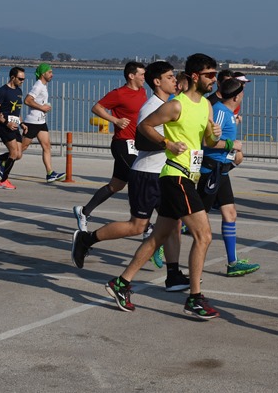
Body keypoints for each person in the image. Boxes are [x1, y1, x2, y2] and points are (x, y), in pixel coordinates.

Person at [104, 53, 222, 319]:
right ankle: (194, 298)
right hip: (175, 176)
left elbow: (207, 143)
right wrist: (167, 144)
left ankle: (121, 283)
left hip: (188, 176)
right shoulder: (176, 106)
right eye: (209, 75)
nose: (214, 80)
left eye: (215, 74)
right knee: (204, 236)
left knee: (159, 236)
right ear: (195, 76)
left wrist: (213, 137)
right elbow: (144, 126)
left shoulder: (206, 106)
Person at [72, 61, 190, 291]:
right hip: (147, 174)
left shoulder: (168, 104)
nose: (174, 80)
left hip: (164, 173)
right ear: (157, 82)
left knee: (174, 224)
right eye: (169, 77)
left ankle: (174, 274)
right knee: (137, 226)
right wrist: (169, 145)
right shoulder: (151, 107)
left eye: (174, 76)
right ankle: (87, 239)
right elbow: (142, 141)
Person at [73, 61, 146, 231]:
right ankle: (143, 223)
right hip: (122, 143)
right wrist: (115, 120)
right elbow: (96, 108)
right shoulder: (119, 93)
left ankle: (84, 211)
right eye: (142, 74)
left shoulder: (142, 92)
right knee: (138, 180)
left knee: (116, 185)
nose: (144, 77)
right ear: (131, 75)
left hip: (136, 144)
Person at [197, 77, 259, 277]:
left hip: (221, 171)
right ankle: (160, 242)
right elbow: (207, 142)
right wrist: (234, 146)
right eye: (242, 92)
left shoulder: (229, 113)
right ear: (237, 95)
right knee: (194, 217)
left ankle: (232, 263)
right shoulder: (221, 112)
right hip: (211, 171)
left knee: (230, 214)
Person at [22, 63, 65, 183]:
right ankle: (3, 162)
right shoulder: (38, 85)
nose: (52, 75)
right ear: (43, 74)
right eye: (50, 72)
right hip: (32, 122)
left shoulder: (44, 86)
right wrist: (42, 108)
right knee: (21, 148)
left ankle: (50, 173)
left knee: (47, 146)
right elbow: (27, 100)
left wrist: (44, 107)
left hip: (41, 121)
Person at [0, 66, 26, 189]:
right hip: (4, 126)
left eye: (24, 79)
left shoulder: (19, 91)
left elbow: (17, 112)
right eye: (20, 79)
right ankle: (3, 181)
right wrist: (6, 123)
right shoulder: (3, 91)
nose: (22, 81)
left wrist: (22, 124)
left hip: (15, 125)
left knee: (18, 155)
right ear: (13, 77)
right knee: (13, 152)